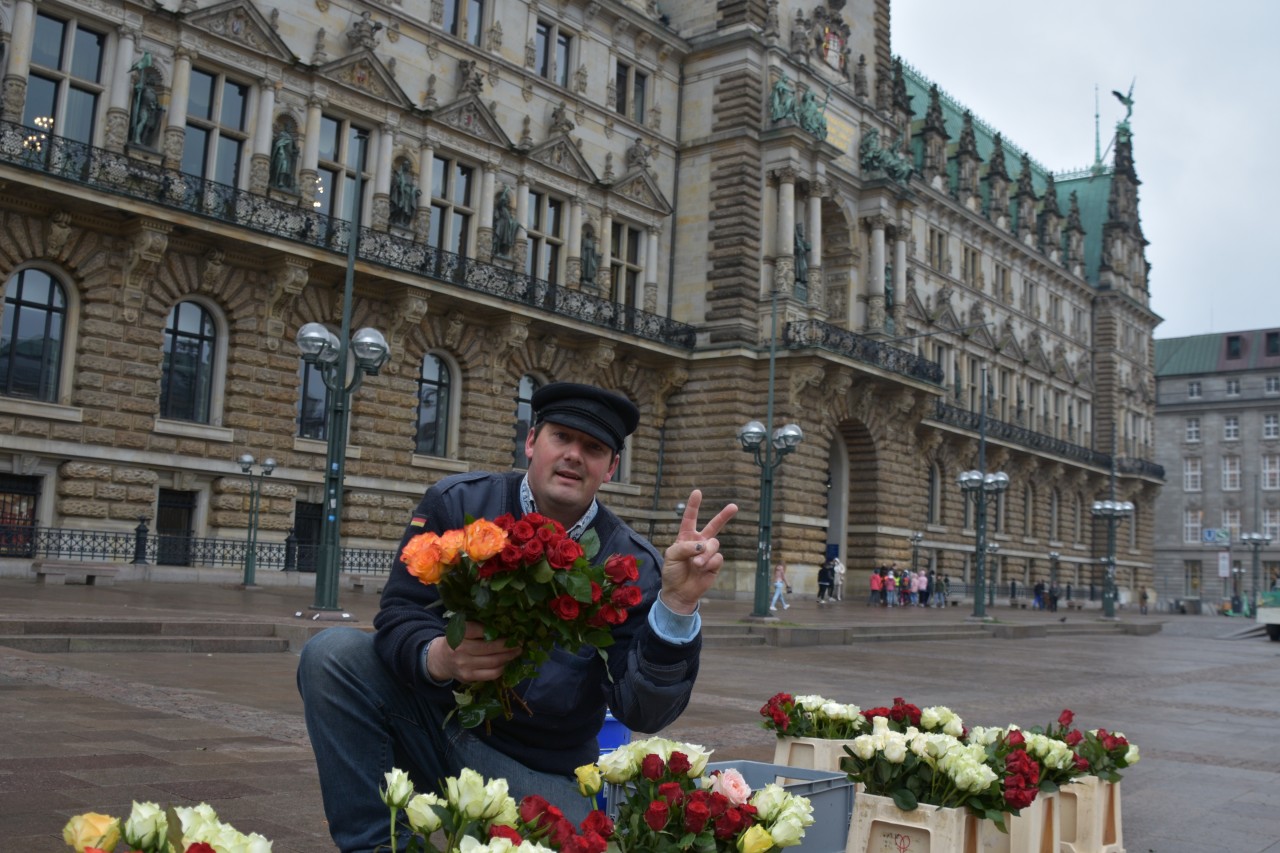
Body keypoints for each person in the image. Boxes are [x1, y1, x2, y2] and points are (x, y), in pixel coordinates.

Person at [297, 382, 737, 852]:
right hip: (433, 725)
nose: (573, 455)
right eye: (561, 437)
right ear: (531, 442)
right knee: (333, 654)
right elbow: (401, 614)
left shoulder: (634, 564)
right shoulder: (458, 503)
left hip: (538, 767)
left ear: (609, 468)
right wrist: (439, 658)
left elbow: (643, 710)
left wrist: (677, 606)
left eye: (592, 448)